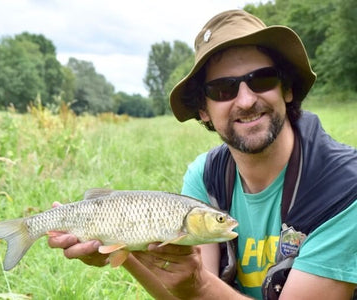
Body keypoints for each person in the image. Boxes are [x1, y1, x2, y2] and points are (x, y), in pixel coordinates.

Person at [48, 10, 357, 299]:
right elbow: (189, 290)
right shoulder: (206, 176)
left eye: (261, 79)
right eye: (223, 90)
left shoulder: (344, 188)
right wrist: (116, 247)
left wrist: (197, 282)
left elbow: (199, 285)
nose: (246, 100)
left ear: (286, 89)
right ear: (203, 110)